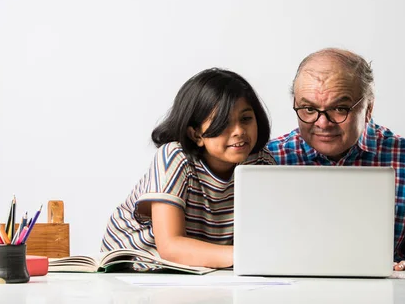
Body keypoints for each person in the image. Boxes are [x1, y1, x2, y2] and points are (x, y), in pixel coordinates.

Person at [267, 48, 405, 271]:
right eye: (308, 109)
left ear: (368, 108)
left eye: (339, 108)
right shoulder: (269, 159)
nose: (322, 123)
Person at [101, 68, 275, 269]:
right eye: (223, 122)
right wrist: (249, 256)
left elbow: (263, 238)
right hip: (133, 267)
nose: (239, 131)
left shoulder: (260, 163)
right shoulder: (176, 157)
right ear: (196, 135)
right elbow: (170, 246)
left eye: (245, 119)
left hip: (199, 271)